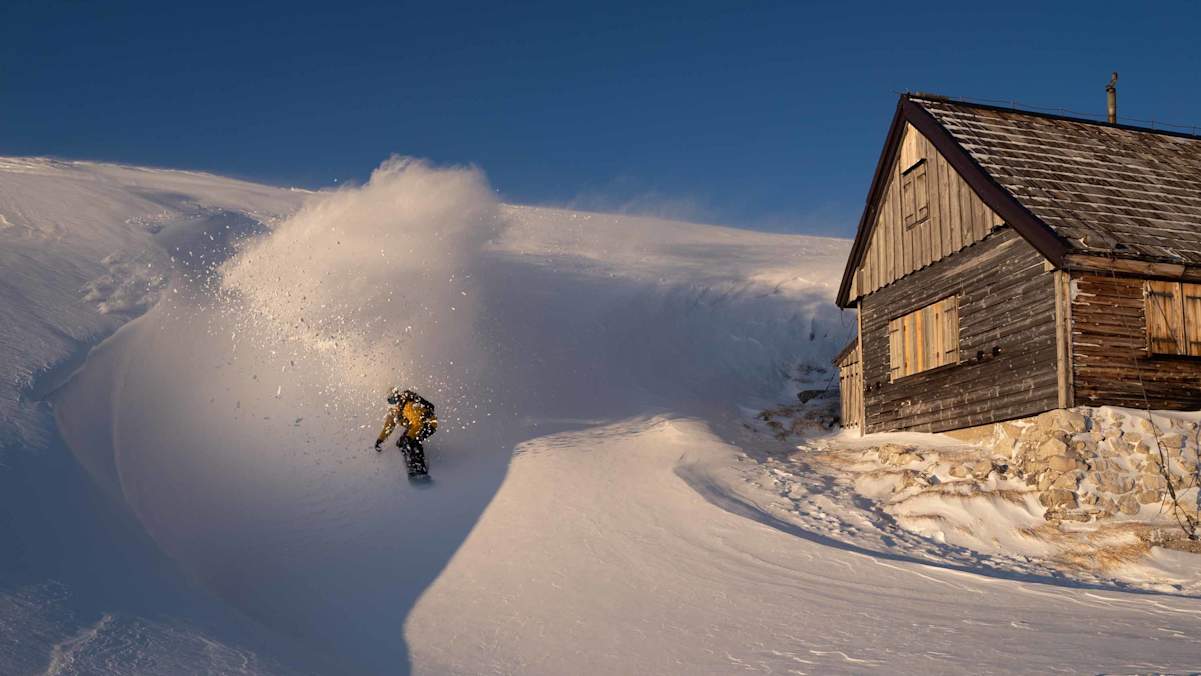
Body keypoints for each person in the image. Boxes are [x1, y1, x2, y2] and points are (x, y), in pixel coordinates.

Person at [375, 387, 438, 475]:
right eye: (390, 401)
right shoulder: (395, 411)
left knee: (411, 441)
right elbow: (389, 426)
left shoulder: (408, 406)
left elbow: (418, 423)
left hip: (428, 424)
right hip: (415, 426)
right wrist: (380, 439)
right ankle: (410, 461)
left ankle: (419, 467)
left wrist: (410, 436)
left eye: (394, 400)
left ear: (398, 397)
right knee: (401, 443)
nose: (394, 403)